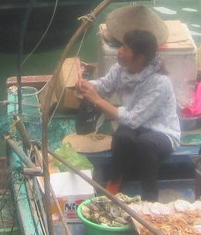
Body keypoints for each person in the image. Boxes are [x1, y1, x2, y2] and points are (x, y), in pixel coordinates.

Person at [75, 29, 181, 200]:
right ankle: (115, 180)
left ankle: (150, 197)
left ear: (139, 58)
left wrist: (97, 101)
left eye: (125, 48)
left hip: (162, 131)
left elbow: (132, 119)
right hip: (136, 125)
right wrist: (86, 86)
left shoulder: (160, 83)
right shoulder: (120, 69)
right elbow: (103, 87)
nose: (120, 51)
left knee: (145, 143)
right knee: (122, 136)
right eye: (121, 46)